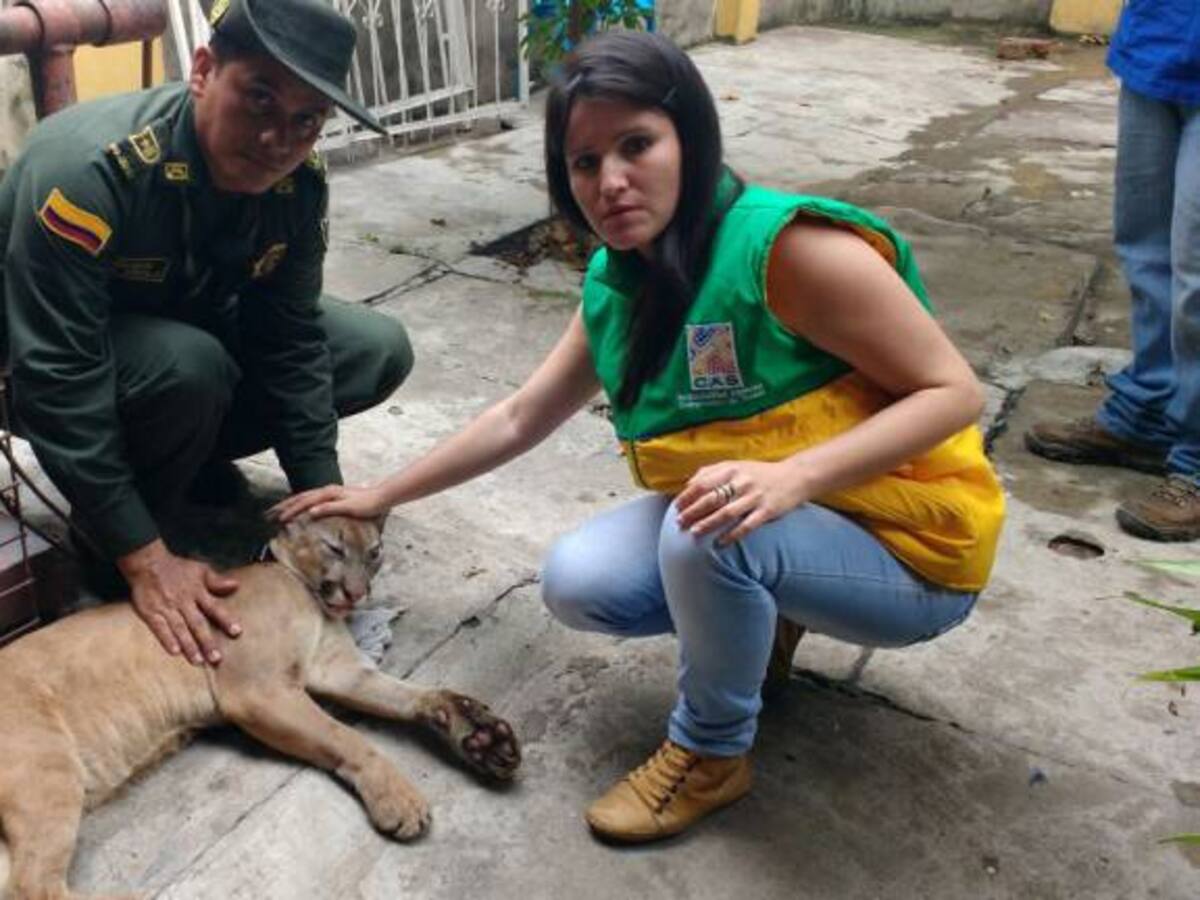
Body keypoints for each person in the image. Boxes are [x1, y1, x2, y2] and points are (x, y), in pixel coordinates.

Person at [274, 30, 1004, 844]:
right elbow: (522, 415)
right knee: (578, 581)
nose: (610, 182)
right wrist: (381, 494)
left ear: (690, 137)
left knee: (708, 534)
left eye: (637, 145)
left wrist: (793, 477)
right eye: (584, 163)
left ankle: (710, 754)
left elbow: (954, 391)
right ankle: (767, 618)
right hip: (786, 519)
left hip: (917, 549)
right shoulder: (621, 281)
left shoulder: (790, 251)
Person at [0, 0, 413, 667]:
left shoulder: (298, 185)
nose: (278, 139)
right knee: (189, 366)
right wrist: (144, 558)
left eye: (306, 120)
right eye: (259, 100)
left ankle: (187, 460)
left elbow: (290, 337)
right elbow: (57, 378)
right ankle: (111, 536)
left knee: (372, 349)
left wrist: (323, 502)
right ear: (201, 71)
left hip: (170, 350)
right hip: (34, 369)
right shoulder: (91, 173)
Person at [1025, 0, 1200, 541]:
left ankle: (1195, 459)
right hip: (1158, 43)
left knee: (1197, 275)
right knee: (1145, 252)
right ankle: (1146, 412)